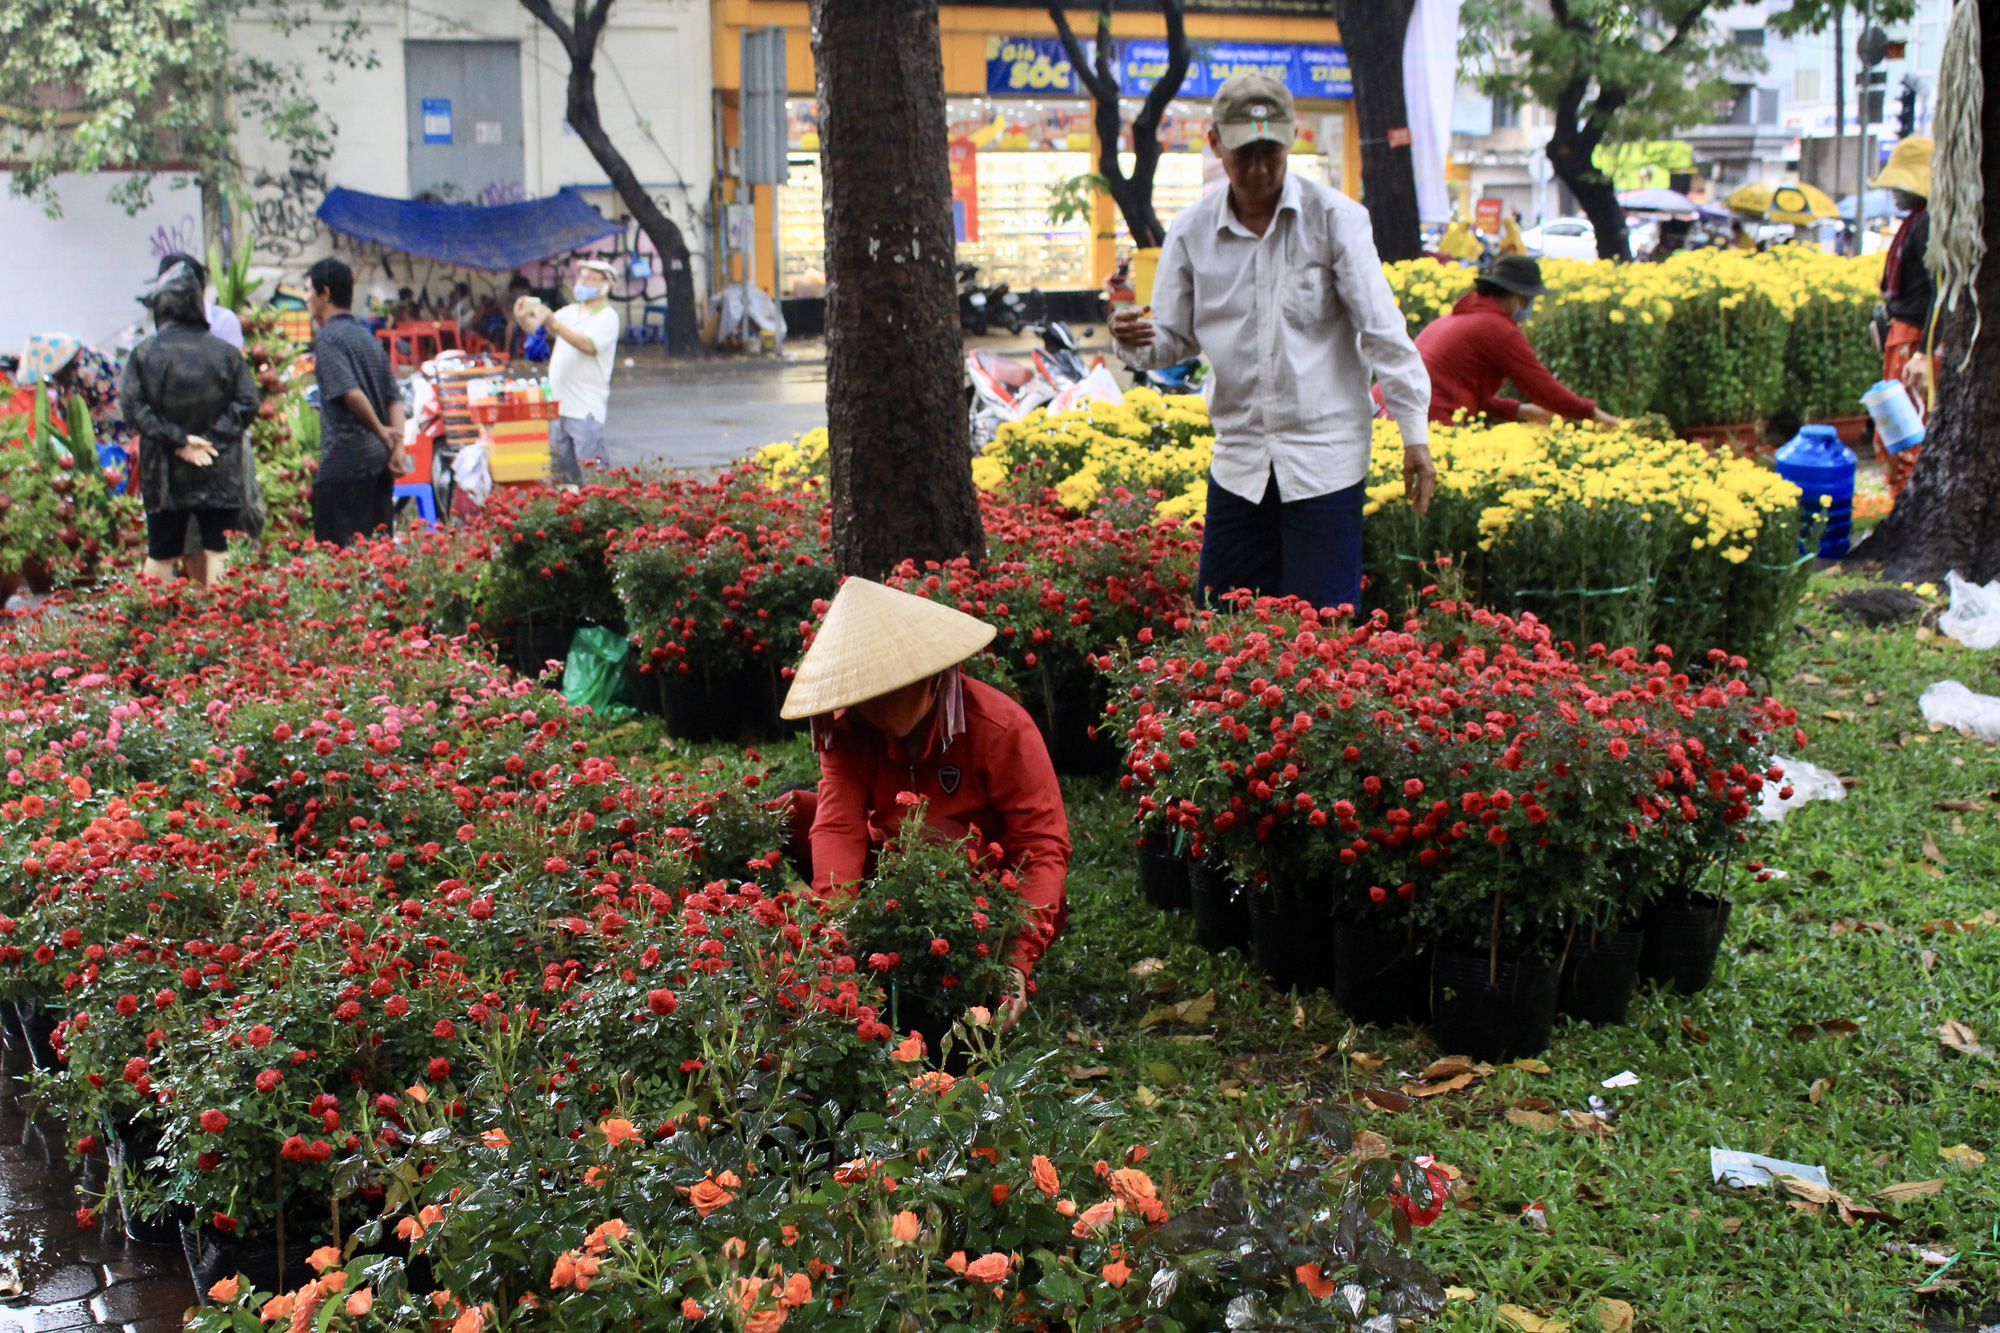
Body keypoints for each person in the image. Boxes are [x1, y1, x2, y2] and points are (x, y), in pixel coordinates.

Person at [1111, 72, 1434, 615]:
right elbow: (1171, 340)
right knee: (1222, 626)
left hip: (1325, 464)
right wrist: (1132, 340)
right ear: (1215, 144)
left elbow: (1382, 331)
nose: (1259, 169)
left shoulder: (1336, 221)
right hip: (1240, 462)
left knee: (1323, 638)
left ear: (1292, 141)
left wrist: (1414, 436)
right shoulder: (1191, 233)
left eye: (1271, 152)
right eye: (1244, 154)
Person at [778, 577, 1070, 1039]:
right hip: (895, 873)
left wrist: (1015, 961)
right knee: (793, 812)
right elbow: (838, 825)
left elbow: (1042, 846)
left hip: (980, 891)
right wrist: (835, 926)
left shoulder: (1002, 728)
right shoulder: (846, 727)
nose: (875, 701)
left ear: (932, 674)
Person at [118, 259, 262, 587]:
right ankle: (228, 625)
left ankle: (152, 629)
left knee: (161, 552)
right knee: (220, 549)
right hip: (219, 467)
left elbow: (132, 408)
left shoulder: (143, 355)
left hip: (164, 473)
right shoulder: (226, 354)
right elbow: (248, 402)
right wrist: (209, 439)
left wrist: (178, 440)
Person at [1411, 256, 1619, 428]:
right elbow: (1541, 387)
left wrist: (1519, 410)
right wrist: (1593, 413)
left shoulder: (1460, 317)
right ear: (1515, 296)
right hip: (1426, 419)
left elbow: (1456, 387)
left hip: (1396, 410)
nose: (1530, 305)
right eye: (1529, 298)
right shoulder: (1497, 328)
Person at [305, 256, 410, 547]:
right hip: (378, 466)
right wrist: (396, 447)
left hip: (344, 466)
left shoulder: (328, 339)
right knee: (377, 555)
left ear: (324, 294)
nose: (306, 298)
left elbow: (350, 393)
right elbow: (394, 398)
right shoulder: (367, 338)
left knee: (340, 562)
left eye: (308, 291)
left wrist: (381, 431)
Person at [515, 259, 621, 484]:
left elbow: (588, 345)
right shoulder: (571, 312)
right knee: (563, 477)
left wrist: (555, 324)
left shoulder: (607, 317)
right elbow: (539, 328)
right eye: (581, 277)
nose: (583, 283)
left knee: (593, 476)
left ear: (606, 285)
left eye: (590, 278)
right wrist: (524, 318)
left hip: (585, 408)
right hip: (558, 406)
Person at [1869, 137, 1934, 501]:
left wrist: (1922, 354)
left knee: (1905, 433)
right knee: (1893, 431)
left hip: (1914, 341)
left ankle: (1907, 509)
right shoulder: (1915, 222)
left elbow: (1938, 292)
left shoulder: (1926, 225)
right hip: (1902, 335)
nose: (1894, 190)